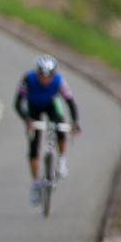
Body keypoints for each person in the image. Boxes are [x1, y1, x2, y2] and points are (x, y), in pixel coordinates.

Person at [14, 54, 81, 205]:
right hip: (34, 109)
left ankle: (61, 162)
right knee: (34, 146)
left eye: (48, 76)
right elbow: (18, 103)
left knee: (60, 127)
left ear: (53, 74)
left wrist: (75, 123)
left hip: (51, 106)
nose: (44, 79)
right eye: (41, 75)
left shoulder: (59, 81)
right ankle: (35, 184)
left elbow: (70, 102)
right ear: (37, 73)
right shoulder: (28, 80)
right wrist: (26, 119)